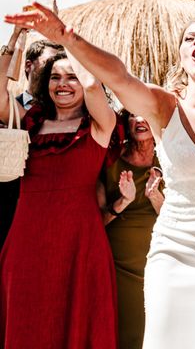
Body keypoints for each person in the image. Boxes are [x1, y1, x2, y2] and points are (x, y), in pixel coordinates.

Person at [4, 8, 195, 349]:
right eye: (189, 38)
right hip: (176, 245)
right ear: (182, 57)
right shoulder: (162, 105)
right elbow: (119, 77)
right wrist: (67, 37)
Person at [0, 49, 118, 348]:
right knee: (27, 319)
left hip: (79, 241)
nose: (62, 84)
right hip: (26, 239)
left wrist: (67, 40)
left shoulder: (100, 125)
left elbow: (93, 86)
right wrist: (13, 43)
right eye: (55, 77)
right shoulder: (30, 121)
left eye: (71, 77)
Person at [99, 110, 164, 349]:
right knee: (128, 333)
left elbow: (180, 217)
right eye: (133, 115)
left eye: (145, 113)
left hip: (160, 261)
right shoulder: (110, 160)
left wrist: (156, 197)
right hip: (119, 265)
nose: (139, 120)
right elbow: (97, 220)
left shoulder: (169, 159)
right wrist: (123, 201)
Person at [0, 34, 62, 250]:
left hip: (46, 215)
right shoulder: (8, 107)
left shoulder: (65, 115)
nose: (52, 70)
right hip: (5, 211)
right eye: (48, 63)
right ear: (29, 65)